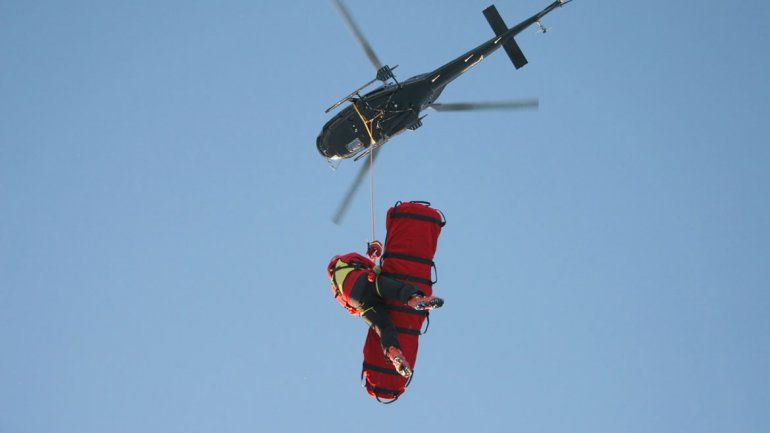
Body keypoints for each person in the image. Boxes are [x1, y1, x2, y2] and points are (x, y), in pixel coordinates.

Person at [327, 250, 444, 378]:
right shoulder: (346, 258)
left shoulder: (334, 288)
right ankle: (415, 299)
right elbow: (374, 267)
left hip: (358, 303)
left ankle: (393, 352)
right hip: (365, 281)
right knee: (397, 290)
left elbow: (351, 310)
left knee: (384, 328)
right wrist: (375, 265)